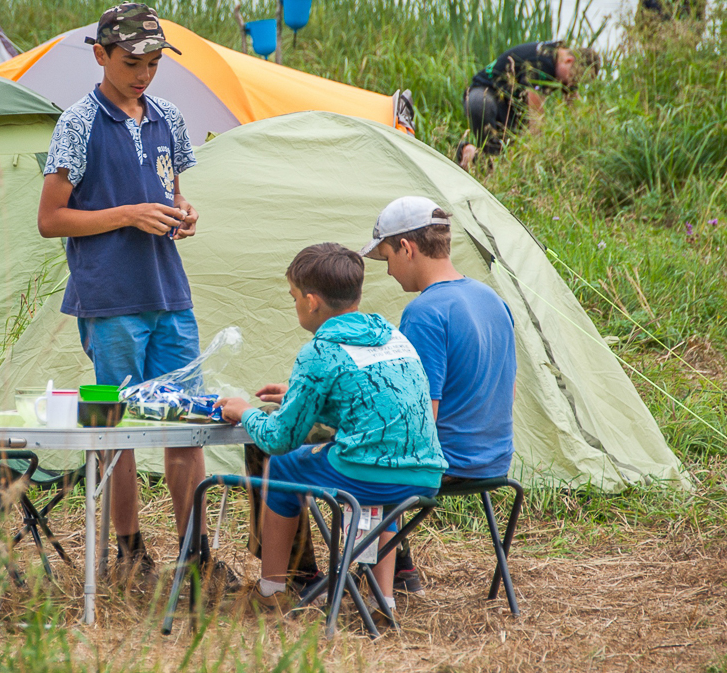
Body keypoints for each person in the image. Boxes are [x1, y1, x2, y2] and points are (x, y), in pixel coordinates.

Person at [37, 2, 234, 586]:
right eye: (132, 61)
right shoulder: (77, 123)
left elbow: (170, 192)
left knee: (185, 426)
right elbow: (50, 219)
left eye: (153, 62)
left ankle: (193, 553)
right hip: (109, 301)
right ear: (100, 55)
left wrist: (183, 214)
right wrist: (126, 215)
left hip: (170, 294)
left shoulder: (168, 116)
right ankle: (129, 552)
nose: (144, 72)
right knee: (116, 429)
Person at [216, 243, 446, 614]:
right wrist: (300, 396)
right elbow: (376, 407)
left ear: (310, 302)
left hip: (367, 473)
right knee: (381, 482)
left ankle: (271, 589)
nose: (294, 306)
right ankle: (382, 600)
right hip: (424, 475)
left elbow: (279, 438)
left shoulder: (320, 351)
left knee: (284, 465)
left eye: (293, 298)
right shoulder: (394, 337)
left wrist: (244, 412)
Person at [359, 196, 516, 595]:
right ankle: (400, 568)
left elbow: (416, 419)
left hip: (447, 465)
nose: (390, 272)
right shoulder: (492, 300)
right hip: (494, 460)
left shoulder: (424, 312)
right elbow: (508, 390)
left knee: (351, 452)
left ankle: (350, 577)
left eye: (387, 258)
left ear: (407, 249)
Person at [456, 41, 598, 170]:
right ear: (569, 60)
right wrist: (539, 154)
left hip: (511, 105)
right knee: (498, 152)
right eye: (576, 78)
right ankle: (472, 153)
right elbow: (536, 116)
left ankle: (473, 156)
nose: (573, 83)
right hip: (485, 94)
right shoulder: (543, 61)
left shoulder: (558, 58)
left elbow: (575, 108)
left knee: (508, 156)